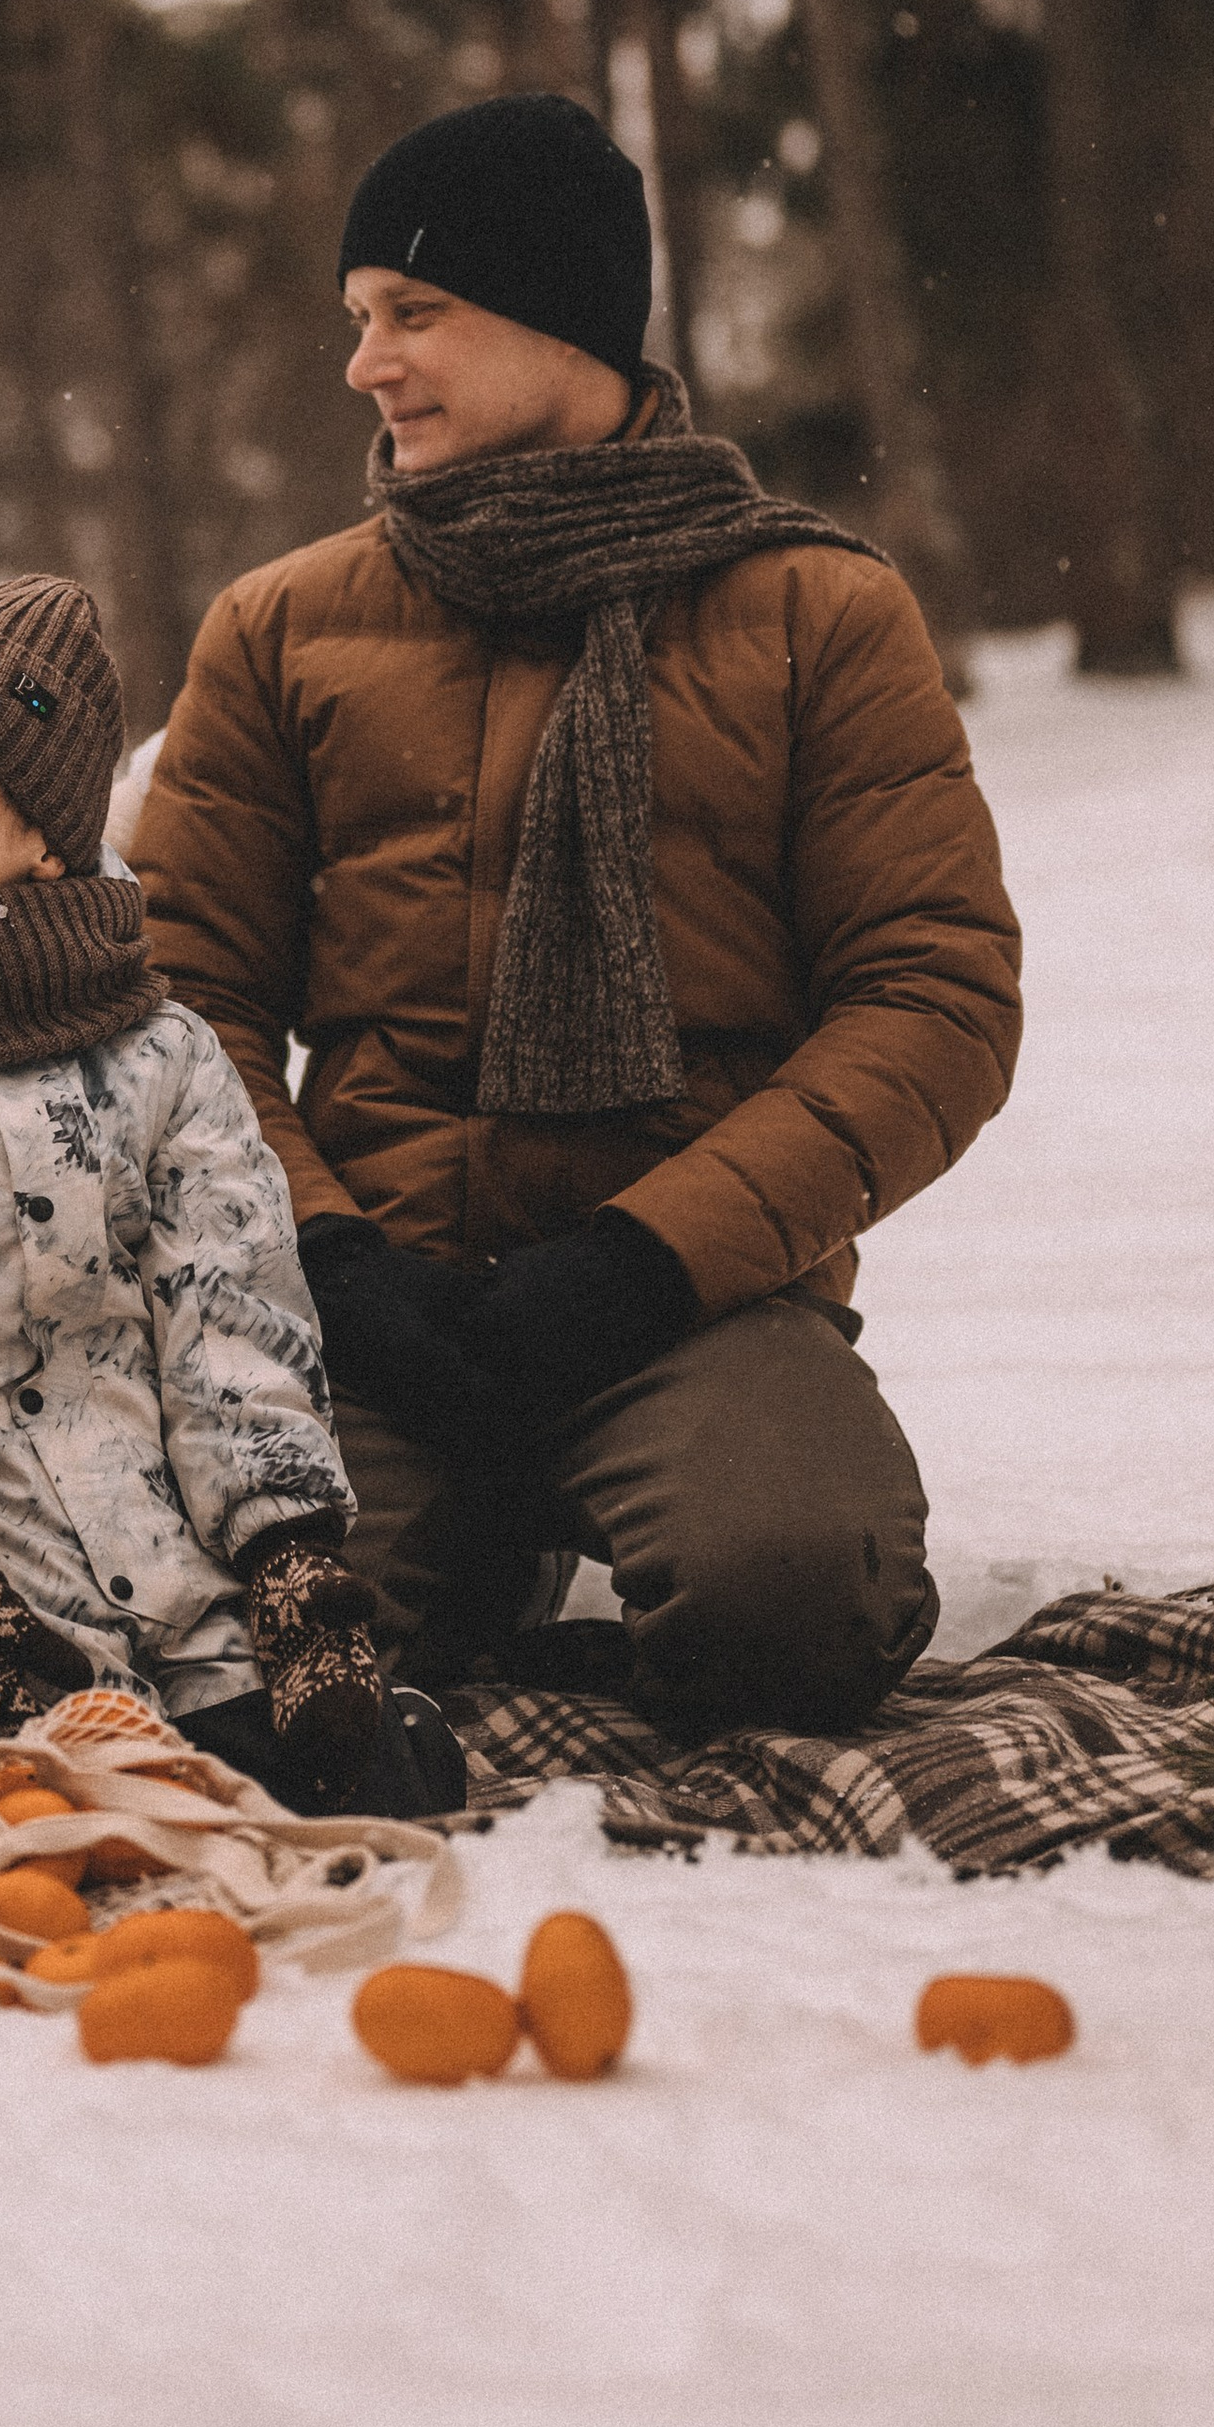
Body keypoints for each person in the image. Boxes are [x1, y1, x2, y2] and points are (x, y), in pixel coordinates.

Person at [131, 91, 1025, 1736]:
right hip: (380, 1295)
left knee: (798, 1607)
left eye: (416, 315)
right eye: (357, 320)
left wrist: (641, 1261)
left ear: (561, 318)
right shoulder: (281, 628)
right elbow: (185, 1007)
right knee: (231, 1661)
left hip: (694, 1293)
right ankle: (469, 1542)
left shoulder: (815, 612)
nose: (366, 365)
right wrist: (325, 1255)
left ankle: (619, 1508)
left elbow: (935, 1001)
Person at [0, 575, 466, 1820]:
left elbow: (235, 1309)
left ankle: (308, 1704)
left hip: (182, 1567)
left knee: (341, 1781)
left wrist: (287, 1561)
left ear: (43, 836)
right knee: (59, 1802)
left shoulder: (158, 1053)